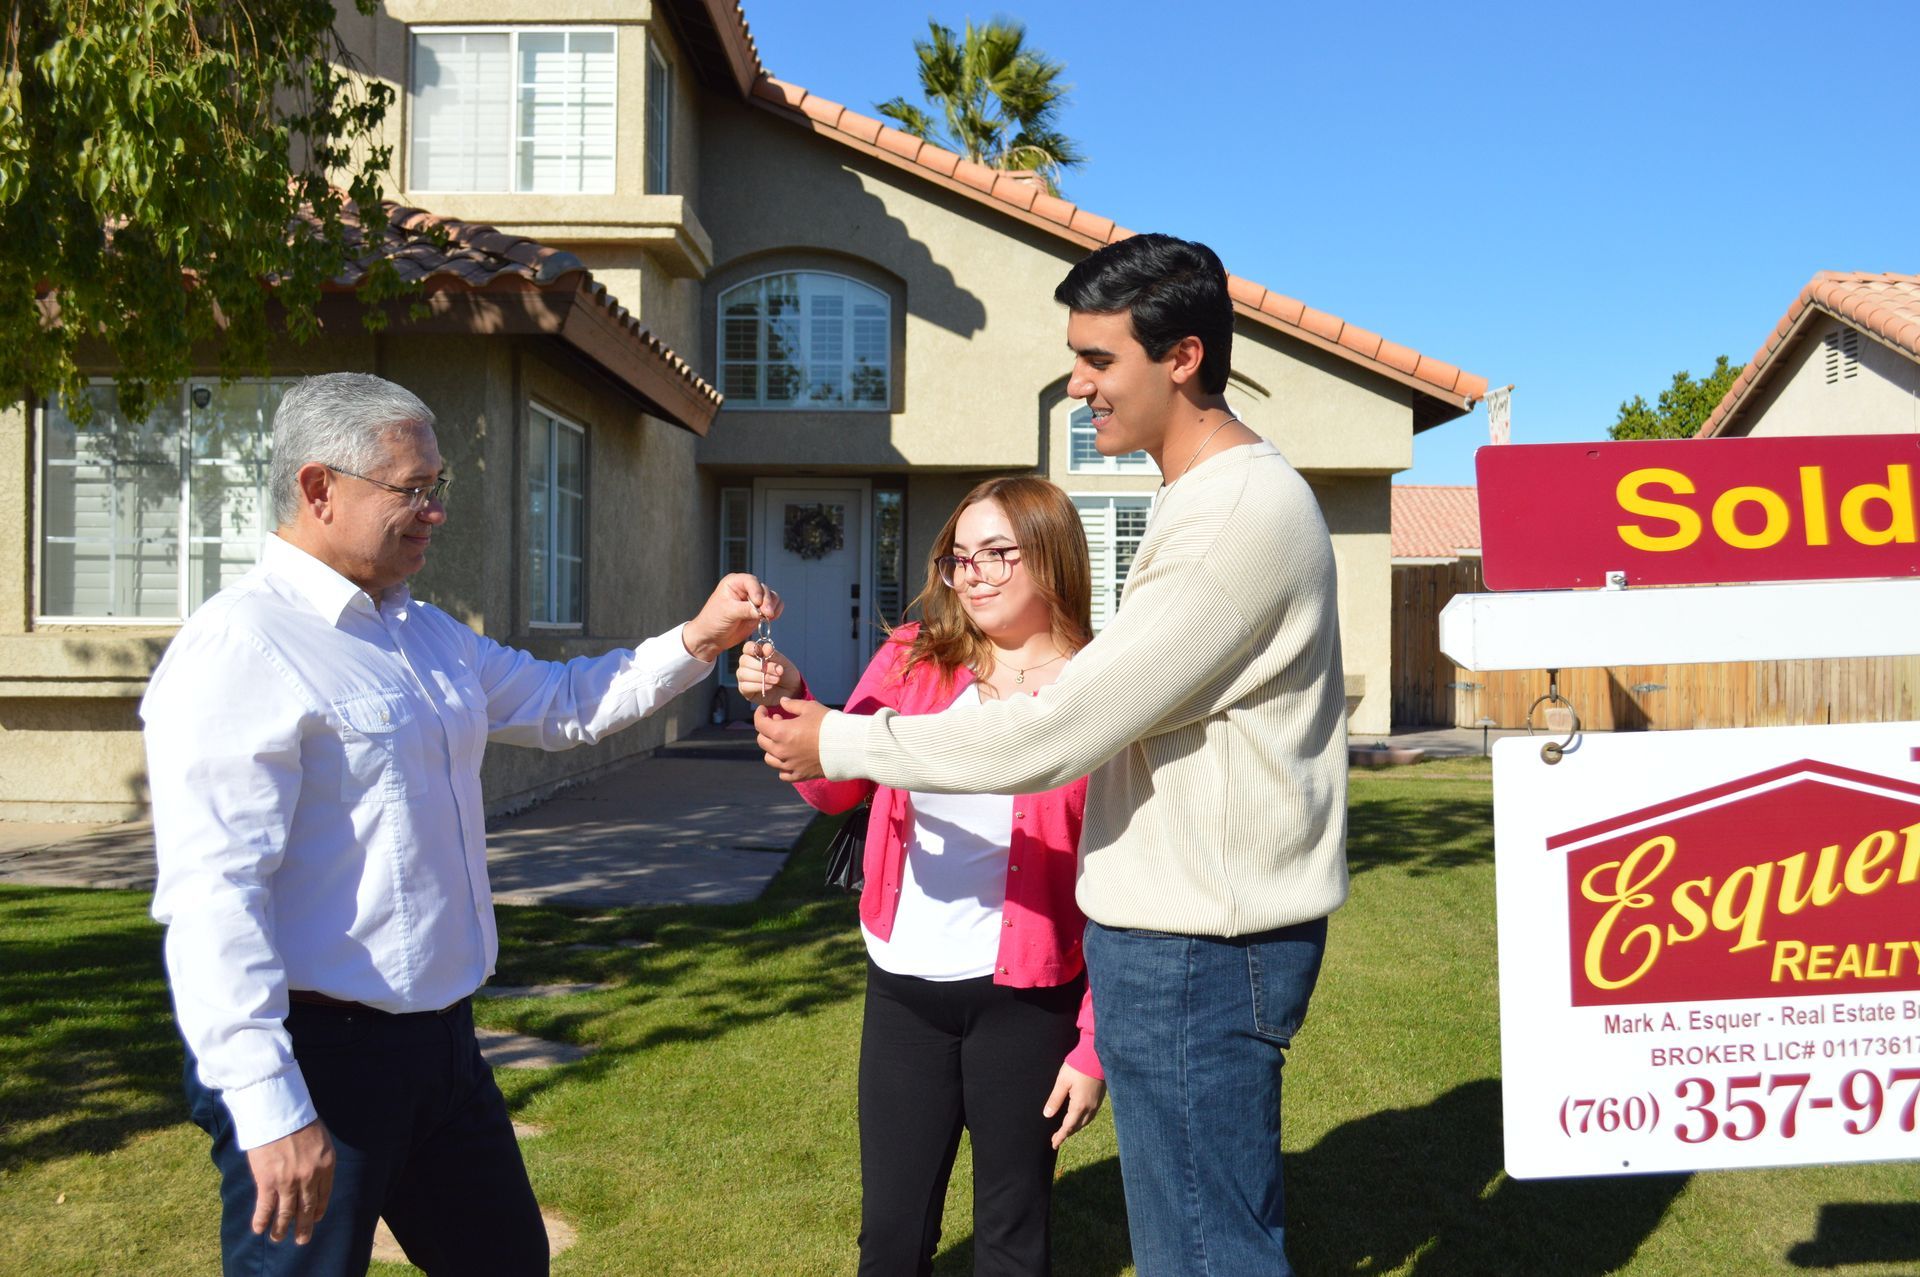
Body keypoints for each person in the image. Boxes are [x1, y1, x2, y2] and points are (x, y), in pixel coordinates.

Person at [756, 234, 1348, 1276]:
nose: (1077, 386)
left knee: (1207, 1252)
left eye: (1098, 359)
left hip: (1202, 947)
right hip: (1178, 941)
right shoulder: (1200, 504)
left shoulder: (1233, 517)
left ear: (1184, 357)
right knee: (1184, 1241)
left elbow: (1059, 730)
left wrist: (839, 734)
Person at [142, 372, 781, 1275]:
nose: (435, 511)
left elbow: (564, 702)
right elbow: (215, 898)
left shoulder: (423, 633)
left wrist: (701, 638)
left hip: (442, 1049)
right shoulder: (242, 649)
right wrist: (267, 1102)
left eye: (438, 488)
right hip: (319, 1062)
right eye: (412, 489)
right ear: (318, 488)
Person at [739, 476, 1105, 1277]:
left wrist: (1092, 1045)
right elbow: (838, 785)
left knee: (1013, 1234)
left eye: (998, 553)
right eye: (959, 557)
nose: (973, 573)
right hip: (903, 990)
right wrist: (793, 700)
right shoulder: (914, 658)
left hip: (1026, 1002)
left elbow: (1124, 887)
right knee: (892, 1236)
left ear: (1052, 554)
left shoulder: (1098, 692)